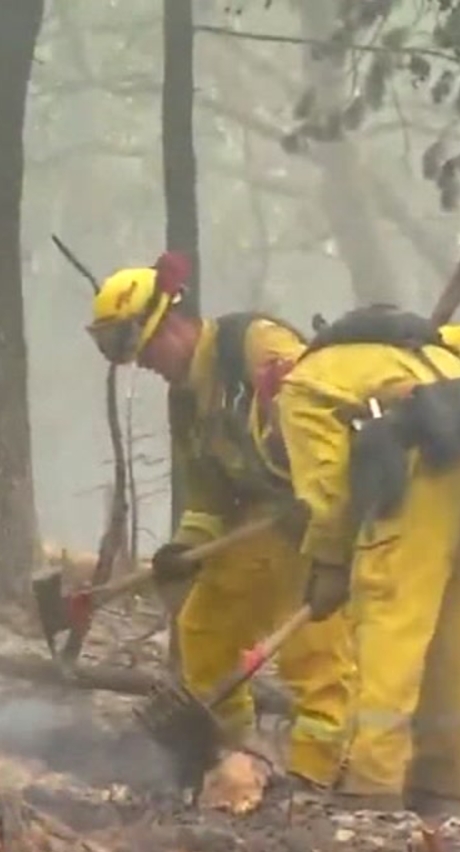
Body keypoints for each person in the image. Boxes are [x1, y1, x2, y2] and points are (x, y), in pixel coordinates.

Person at [85, 251, 353, 789]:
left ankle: (316, 776)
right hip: (259, 526)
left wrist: (318, 503)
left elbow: (325, 419)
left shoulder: (253, 345)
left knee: (313, 653)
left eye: (146, 350)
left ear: (173, 323)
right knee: (203, 627)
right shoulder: (184, 401)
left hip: (316, 521)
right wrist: (184, 548)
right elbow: (206, 496)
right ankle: (237, 757)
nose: (144, 364)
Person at [275, 304, 460, 813]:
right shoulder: (401, 348)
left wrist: (330, 563)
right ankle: (441, 781)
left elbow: (328, 494)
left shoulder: (299, 387)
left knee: (394, 615)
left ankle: (373, 780)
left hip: (427, 457)